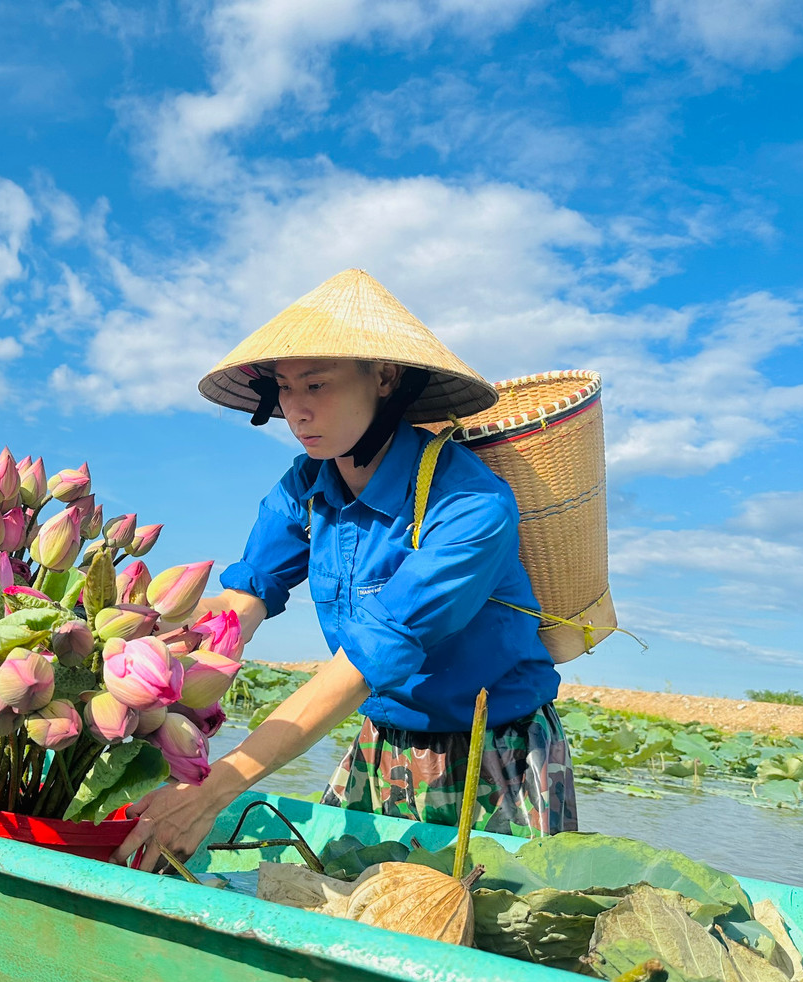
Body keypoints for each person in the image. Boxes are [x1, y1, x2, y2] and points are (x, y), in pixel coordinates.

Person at [114, 268, 577, 870]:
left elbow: (368, 659)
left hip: (492, 756)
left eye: (317, 385)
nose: (296, 411)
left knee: (478, 926)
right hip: (381, 742)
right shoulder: (305, 486)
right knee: (340, 900)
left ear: (384, 378)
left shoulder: (470, 505)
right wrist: (133, 658)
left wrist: (216, 787)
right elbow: (241, 604)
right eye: (284, 388)